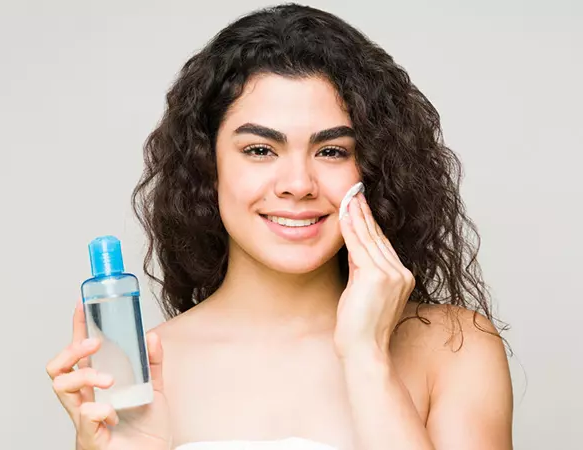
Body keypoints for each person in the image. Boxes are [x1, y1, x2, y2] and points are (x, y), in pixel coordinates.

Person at [46, 4, 514, 449]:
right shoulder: (142, 373)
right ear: (207, 166)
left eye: (331, 151)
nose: (297, 184)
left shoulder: (454, 348)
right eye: (259, 150)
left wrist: (368, 359)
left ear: (372, 168)